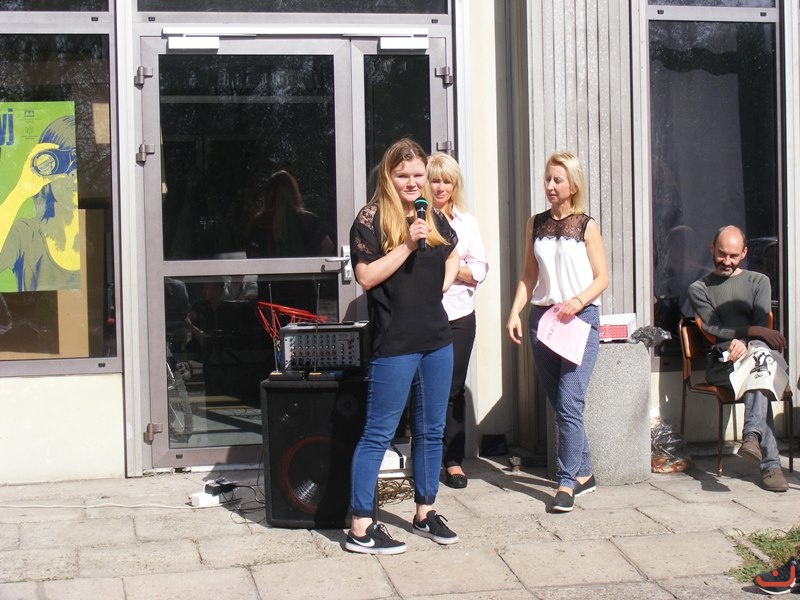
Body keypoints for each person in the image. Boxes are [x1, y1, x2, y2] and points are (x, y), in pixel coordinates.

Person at [345, 138, 461, 555]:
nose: (412, 183)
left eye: (417, 175)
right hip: (395, 342)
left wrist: (439, 286)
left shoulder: (432, 215)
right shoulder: (371, 217)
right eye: (403, 175)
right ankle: (360, 527)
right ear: (388, 176)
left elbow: (453, 253)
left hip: (437, 339)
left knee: (431, 430)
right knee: (378, 433)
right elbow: (366, 276)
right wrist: (408, 244)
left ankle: (425, 512)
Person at [505, 150, 609, 513]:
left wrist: (578, 301)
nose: (550, 185)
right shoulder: (535, 224)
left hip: (579, 320)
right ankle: (585, 473)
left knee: (569, 401)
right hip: (543, 321)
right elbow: (528, 275)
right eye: (547, 179)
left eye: (557, 180)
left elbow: (602, 277)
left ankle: (566, 483)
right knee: (562, 404)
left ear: (573, 185)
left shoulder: (586, 225)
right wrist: (514, 312)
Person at [688, 225, 788, 492]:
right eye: (722, 254)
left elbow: (761, 321)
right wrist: (752, 333)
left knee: (758, 367)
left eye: (733, 255)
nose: (727, 261)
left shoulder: (759, 282)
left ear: (744, 253)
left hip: (757, 356)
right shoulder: (699, 288)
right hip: (723, 364)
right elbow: (713, 327)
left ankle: (752, 436)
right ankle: (770, 465)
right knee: (761, 372)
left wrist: (746, 341)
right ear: (712, 248)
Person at [427, 152, 488, 489]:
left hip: (461, 315)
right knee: (424, 387)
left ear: (455, 185)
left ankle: (452, 461)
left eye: (446, 181)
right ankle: (425, 458)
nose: (440, 187)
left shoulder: (466, 223)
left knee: (453, 388)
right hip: (425, 315)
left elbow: (480, 269)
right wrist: (457, 268)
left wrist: (452, 269)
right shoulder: (416, 220)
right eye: (434, 180)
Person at [0, 116, 80, 292]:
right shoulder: (25, 235)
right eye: (62, 163)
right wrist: (20, 191)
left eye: (80, 164)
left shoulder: (101, 227)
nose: (73, 174)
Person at [244, 169, 334, 259]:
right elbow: (328, 246)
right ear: (293, 191)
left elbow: (252, 255)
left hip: (271, 268)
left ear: (268, 193)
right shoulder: (307, 220)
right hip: (302, 267)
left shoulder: (259, 222)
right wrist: (313, 265)